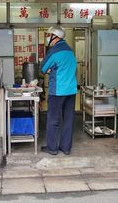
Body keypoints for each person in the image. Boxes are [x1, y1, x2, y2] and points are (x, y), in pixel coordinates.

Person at [40, 26, 77, 156]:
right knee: (68, 119)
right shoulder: (70, 50)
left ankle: (52, 147)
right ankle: (66, 148)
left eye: (49, 35)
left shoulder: (54, 51)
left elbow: (43, 68)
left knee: (53, 119)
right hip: (71, 91)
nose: (47, 37)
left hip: (57, 91)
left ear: (55, 37)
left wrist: (51, 70)